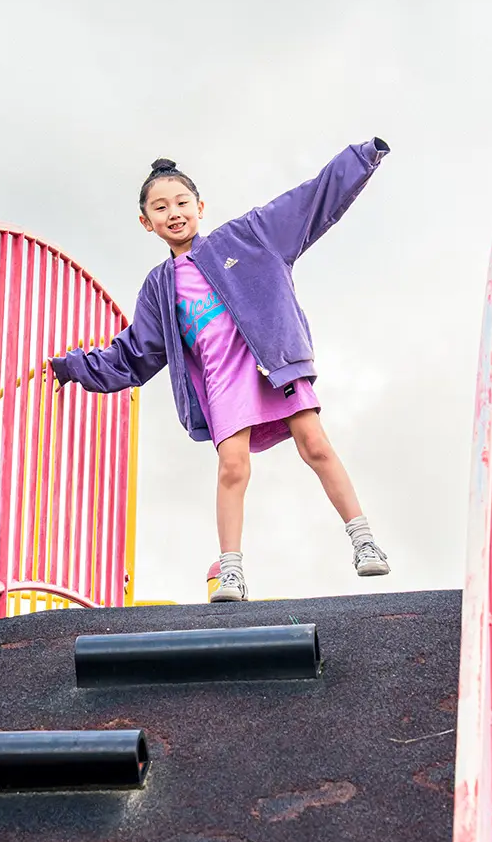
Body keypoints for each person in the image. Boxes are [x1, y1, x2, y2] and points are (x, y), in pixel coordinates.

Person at [49, 138, 392, 603]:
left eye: (182, 202)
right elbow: (134, 353)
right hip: (223, 379)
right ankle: (232, 572)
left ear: (200, 206)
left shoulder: (247, 237)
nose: (174, 212)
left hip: (272, 363)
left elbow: (309, 201)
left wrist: (362, 156)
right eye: (160, 207)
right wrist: (72, 368)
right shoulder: (158, 286)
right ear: (145, 222)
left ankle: (362, 539)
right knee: (232, 467)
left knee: (315, 444)